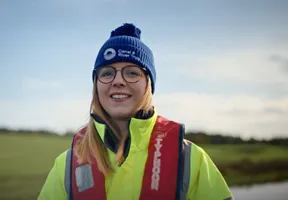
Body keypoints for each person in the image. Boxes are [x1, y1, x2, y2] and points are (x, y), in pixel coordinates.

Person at [37, 23, 234, 200]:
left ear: (148, 84)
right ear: (96, 85)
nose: (118, 81)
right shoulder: (67, 165)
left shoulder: (190, 159)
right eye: (107, 73)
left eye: (132, 72)